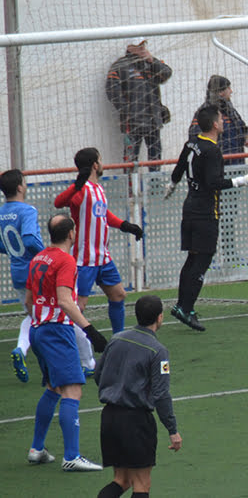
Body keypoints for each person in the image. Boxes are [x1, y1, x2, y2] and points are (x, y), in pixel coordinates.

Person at [166, 104, 248, 331]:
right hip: (205, 213)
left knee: (192, 259)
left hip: (189, 209)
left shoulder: (192, 143)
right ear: (214, 124)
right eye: (221, 119)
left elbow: (180, 166)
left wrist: (172, 184)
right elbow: (213, 183)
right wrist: (244, 179)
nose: (223, 122)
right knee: (202, 261)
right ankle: (186, 308)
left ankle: (182, 305)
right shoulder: (212, 151)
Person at [25, 214, 109, 472]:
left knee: (53, 387)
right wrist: (90, 330)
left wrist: (39, 321)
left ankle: (37, 448)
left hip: (38, 330)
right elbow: (64, 300)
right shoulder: (66, 261)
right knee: (73, 389)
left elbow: (29, 299)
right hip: (56, 332)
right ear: (71, 233)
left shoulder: (39, 258)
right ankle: (71, 456)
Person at [53, 148, 144, 374]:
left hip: (103, 257)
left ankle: (117, 345)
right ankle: (81, 358)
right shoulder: (82, 190)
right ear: (95, 164)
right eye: (101, 160)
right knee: (78, 307)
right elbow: (58, 202)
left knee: (118, 294)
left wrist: (125, 225)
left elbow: (103, 215)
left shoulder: (98, 189)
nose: (103, 164)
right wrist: (77, 183)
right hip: (84, 261)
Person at [95, 295, 182, 498]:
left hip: (109, 418)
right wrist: (173, 430)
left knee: (121, 480)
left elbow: (98, 375)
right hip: (136, 422)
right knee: (141, 483)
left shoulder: (116, 339)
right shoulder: (158, 351)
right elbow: (161, 394)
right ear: (160, 318)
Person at [1, 169, 45, 382]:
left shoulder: (1, 212)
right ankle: (87, 361)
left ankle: (21, 348)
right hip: (35, 271)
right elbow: (29, 239)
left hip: (17, 272)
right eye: (24, 183)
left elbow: (3, 244)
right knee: (58, 310)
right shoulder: (27, 210)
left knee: (33, 315)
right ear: (20, 187)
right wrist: (47, 254)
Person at [105, 38, 172, 170]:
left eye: (144, 45)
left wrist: (151, 59)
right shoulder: (120, 66)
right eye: (139, 46)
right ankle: (130, 188)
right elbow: (112, 92)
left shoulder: (150, 63)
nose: (143, 48)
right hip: (132, 122)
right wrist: (128, 111)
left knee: (155, 158)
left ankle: (155, 186)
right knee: (130, 159)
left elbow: (167, 73)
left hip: (153, 120)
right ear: (130, 47)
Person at [189, 75, 248, 163]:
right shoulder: (205, 112)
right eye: (228, 88)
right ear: (220, 92)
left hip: (237, 162)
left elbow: (242, 127)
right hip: (217, 164)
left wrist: (247, 137)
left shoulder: (230, 110)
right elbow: (195, 137)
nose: (231, 91)